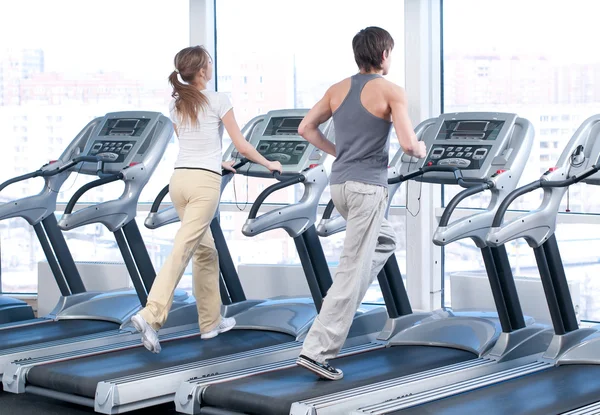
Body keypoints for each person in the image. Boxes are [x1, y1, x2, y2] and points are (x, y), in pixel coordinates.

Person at [131, 45, 282, 353]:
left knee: (205, 252)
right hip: (203, 185)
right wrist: (269, 164)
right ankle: (151, 314)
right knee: (183, 248)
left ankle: (210, 323)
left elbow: (191, 144)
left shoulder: (177, 105)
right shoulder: (218, 99)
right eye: (209, 63)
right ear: (202, 71)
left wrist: (218, 162)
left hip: (180, 181)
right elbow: (241, 145)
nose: (211, 66)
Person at [295, 27, 427, 380]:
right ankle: (316, 350)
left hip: (339, 186)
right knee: (351, 271)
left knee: (385, 241)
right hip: (367, 188)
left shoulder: (337, 89)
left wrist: (339, 152)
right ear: (384, 54)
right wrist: (422, 149)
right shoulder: (390, 91)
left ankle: (344, 302)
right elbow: (408, 142)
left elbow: (306, 128)